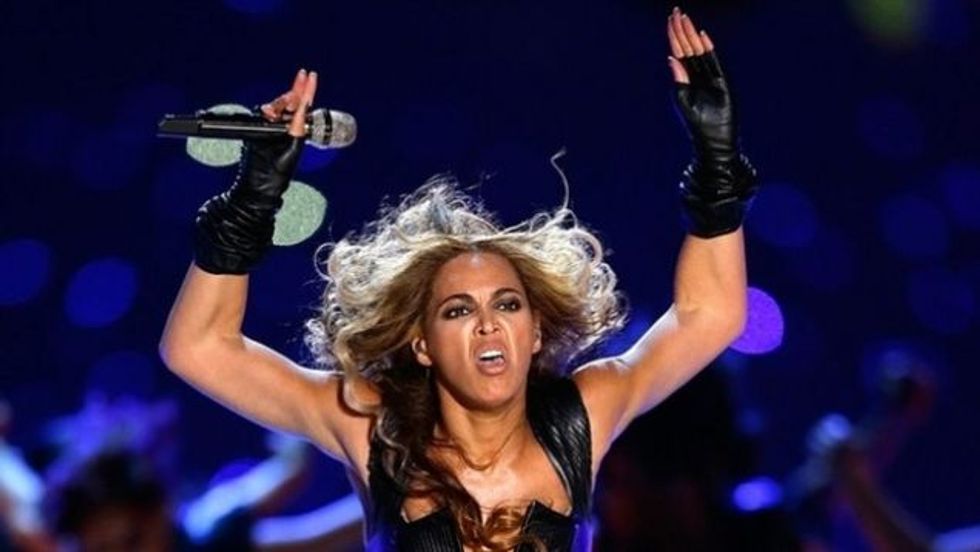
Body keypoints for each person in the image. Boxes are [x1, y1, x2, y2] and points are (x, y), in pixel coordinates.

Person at [160, 8, 756, 551]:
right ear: (421, 343)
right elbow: (199, 348)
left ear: (536, 332)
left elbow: (710, 314)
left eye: (508, 304)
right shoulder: (373, 427)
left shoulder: (585, 415)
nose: (488, 323)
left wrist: (718, 160)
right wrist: (253, 200)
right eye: (458, 310)